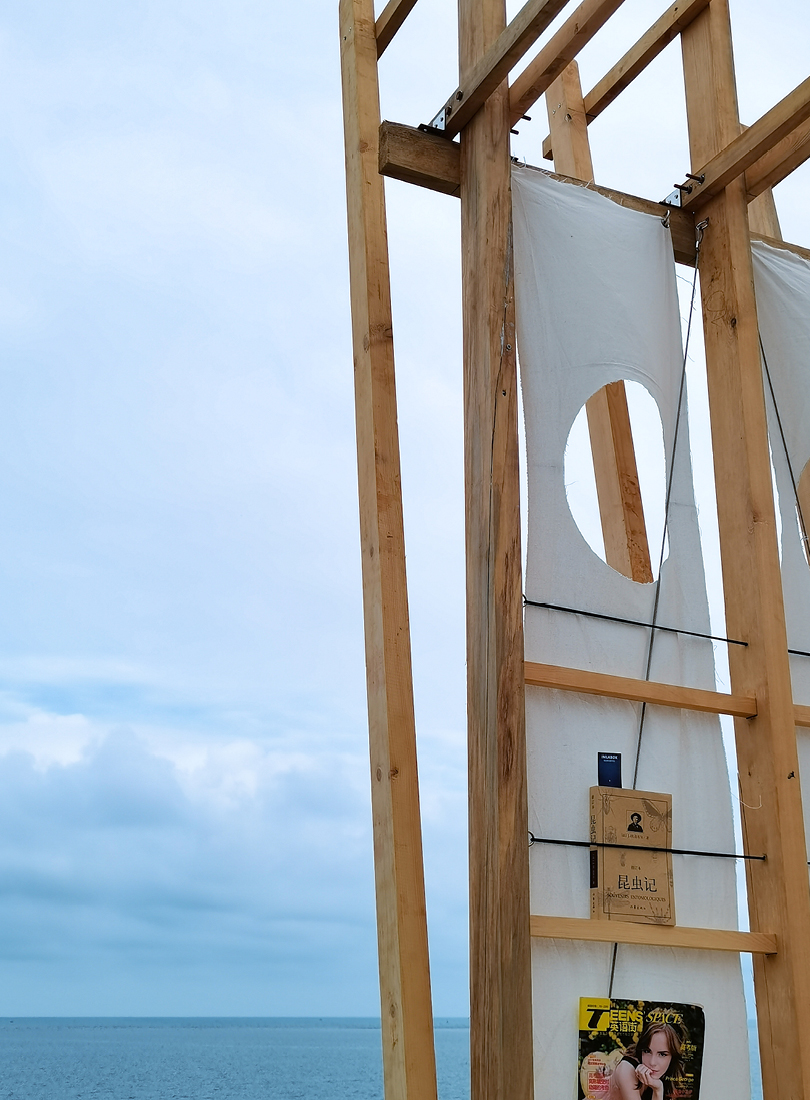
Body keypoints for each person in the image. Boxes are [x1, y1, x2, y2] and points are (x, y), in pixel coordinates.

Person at [606, 1021, 684, 1100]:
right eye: (647, 1051)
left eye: (662, 1054)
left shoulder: (668, 1073)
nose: (652, 1062)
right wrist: (658, 1089)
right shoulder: (627, 1070)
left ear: (673, 1056)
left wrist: (658, 1088)